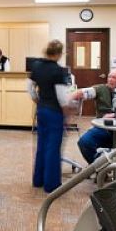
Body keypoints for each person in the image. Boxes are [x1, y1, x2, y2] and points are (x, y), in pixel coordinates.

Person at [72, 69, 116, 175]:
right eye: (109, 77)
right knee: (84, 142)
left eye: (114, 77)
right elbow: (80, 93)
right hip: (104, 130)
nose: (110, 79)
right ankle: (101, 168)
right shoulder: (101, 89)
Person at [28, 40, 73, 193]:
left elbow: (29, 87)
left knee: (41, 145)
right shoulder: (59, 71)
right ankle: (51, 185)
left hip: (41, 110)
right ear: (60, 54)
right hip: (54, 112)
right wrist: (67, 112)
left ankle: (38, 180)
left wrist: (36, 99)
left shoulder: (36, 66)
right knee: (53, 148)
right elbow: (62, 97)